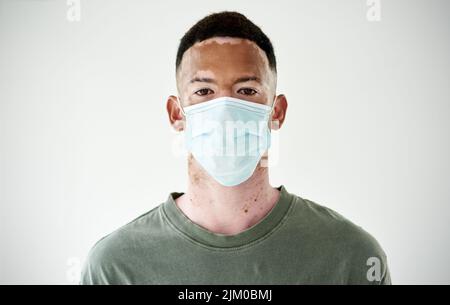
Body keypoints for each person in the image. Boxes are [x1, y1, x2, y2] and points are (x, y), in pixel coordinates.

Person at [81, 11, 391, 285]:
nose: (226, 110)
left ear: (276, 111)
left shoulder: (350, 257)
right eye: (204, 91)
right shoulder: (115, 267)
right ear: (177, 114)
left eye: (247, 91)